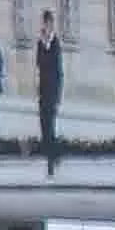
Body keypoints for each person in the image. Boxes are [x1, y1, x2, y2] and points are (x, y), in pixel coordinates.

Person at [36, 10, 65, 176]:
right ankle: (55, 154)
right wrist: (42, 43)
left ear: (51, 24)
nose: (46, 27)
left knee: (50, 126)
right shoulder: (41, 43)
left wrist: (59, 93)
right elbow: (39, 63)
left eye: (49, 24)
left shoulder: (55, 43)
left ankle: (51, 165)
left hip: (52, 90)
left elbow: (58, 69)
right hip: (43, 89)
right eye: (45, 24)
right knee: (44, 126)